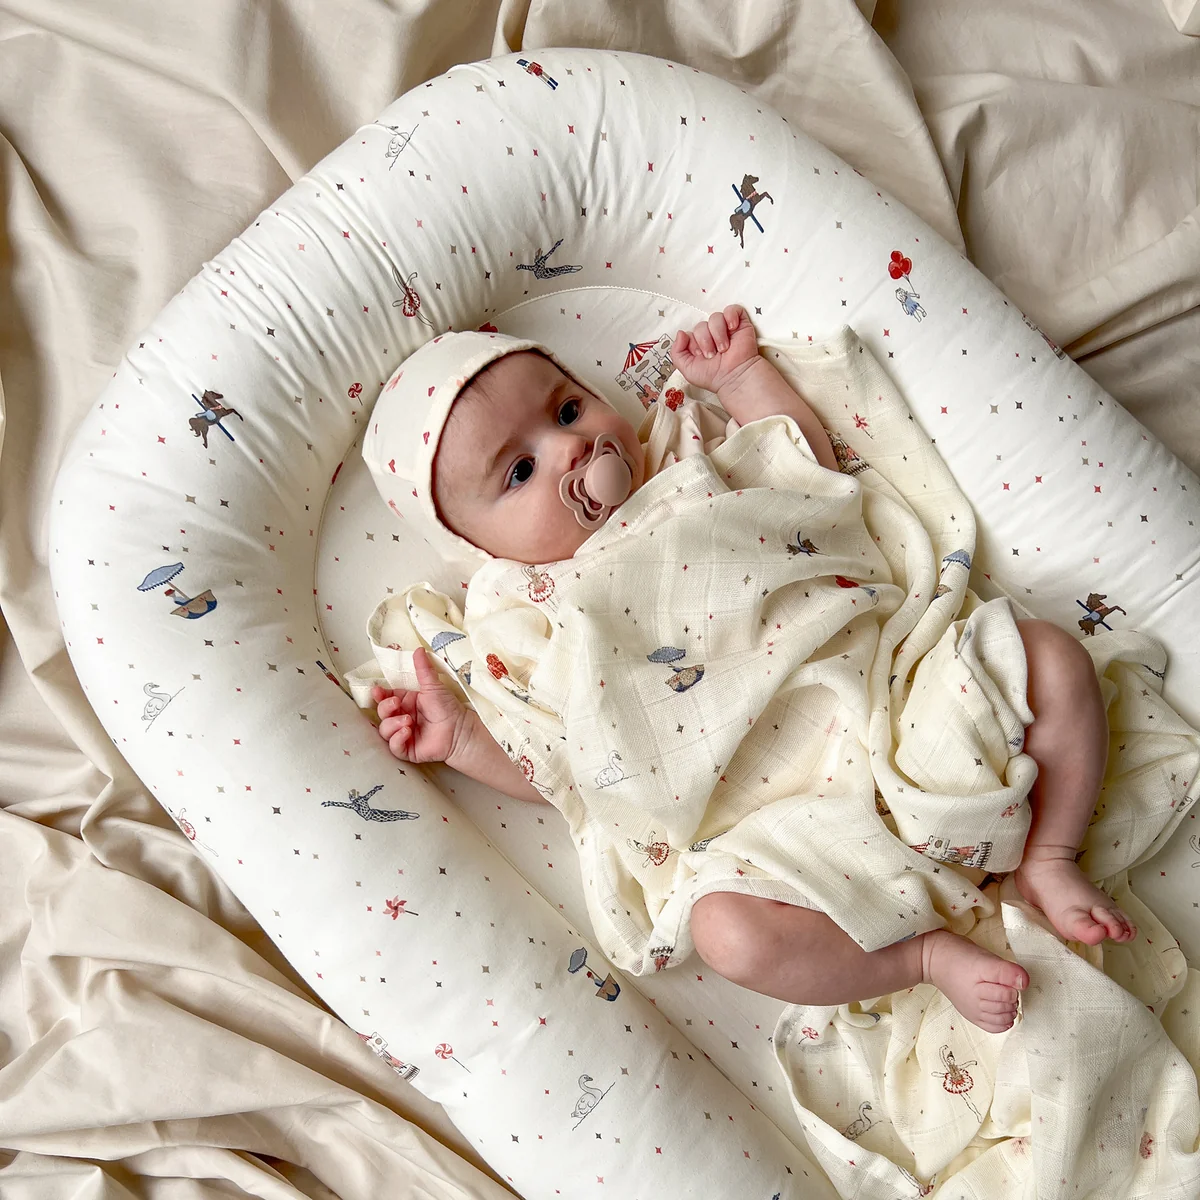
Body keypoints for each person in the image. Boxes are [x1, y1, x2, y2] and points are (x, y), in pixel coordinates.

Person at [364, 306, 1136, 1035]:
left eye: (568, 410)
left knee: (1045, 654)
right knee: (726, 932)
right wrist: (464, 740)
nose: (570, 450)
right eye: (521, 471)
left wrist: (741, 380)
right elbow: (565, 766)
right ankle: (922, 957)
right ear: (477, 548)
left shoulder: (685, 455)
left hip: (893, 706)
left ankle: (1049, 856)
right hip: (779, 830)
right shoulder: (526, 624)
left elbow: (805, 473)